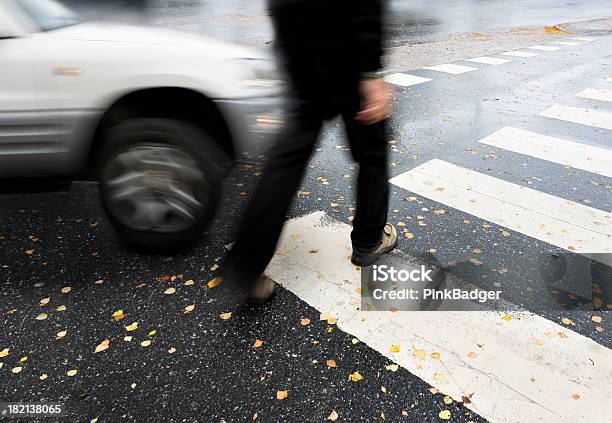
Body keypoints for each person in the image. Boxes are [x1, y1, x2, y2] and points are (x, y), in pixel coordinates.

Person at [222, 0, 396, 303]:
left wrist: (288, 49)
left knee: (287, 161)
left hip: (300, 49)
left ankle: (246, 264)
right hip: (347, 52)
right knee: (372, 153)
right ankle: (368, 241)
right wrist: (371, 73)